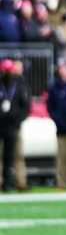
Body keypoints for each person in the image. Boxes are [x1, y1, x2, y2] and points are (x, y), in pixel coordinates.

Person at [0, 59, 29, 191]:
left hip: (13, 126)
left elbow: (26, 106)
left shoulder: (19, 85)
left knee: (14, 156)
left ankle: (16, 183)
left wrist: (17, 120)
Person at [48, 62, 66, 189]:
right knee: (62, 156)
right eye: (62, 70)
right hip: (61, 127)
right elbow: (51, 107)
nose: (64, 72)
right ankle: (61, 181)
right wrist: (57, 120)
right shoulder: (54, 88)